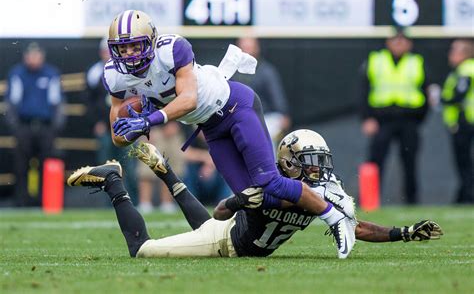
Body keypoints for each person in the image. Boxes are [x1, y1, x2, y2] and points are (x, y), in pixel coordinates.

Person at [102, 10, 355, 256]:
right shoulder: (115, 75)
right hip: (211, 128)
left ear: (152, 41)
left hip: (235, 107)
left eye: (135, 47)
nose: (129, 55)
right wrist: (131, 127)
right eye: (122, 49)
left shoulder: (171, 50)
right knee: (253, 199)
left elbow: (189, 99)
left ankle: (333, 216)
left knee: (268, 181)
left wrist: (148, 120)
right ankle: (319, 193)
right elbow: (118, 137)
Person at [67, 130, 443, 259]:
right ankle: (113, 183)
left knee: (209, 229)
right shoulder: (269, 182)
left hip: (236, 236)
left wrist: (403, 233)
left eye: (320, 161)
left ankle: (164, 170)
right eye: (309, 162)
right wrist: (240, 199)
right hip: (226, 240)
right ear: (290, 162)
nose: (317, 169)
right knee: (143, 251)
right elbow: (218, 214)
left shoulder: (324, 191)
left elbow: (354, 227)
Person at [359, 28, 430, 204]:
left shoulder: (417, 62)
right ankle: (370, 200)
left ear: (409, 43)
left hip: (408, 119)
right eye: (395, 40)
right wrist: (367, 118)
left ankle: (412, 201)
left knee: (409, 161)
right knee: (376, 160)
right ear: (388, 42)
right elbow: (363, 90)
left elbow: (427, 92)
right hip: (383, 118)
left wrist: (420, 118)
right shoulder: (376, 60)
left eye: (402, 40)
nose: (399, 44)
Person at [5, 42, 65, 207]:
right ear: (25, 57)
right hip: (24, 126)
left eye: (36, 55)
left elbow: (57, 103)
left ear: (42, 56)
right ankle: (21, 202)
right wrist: (16, 127)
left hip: (45, 127)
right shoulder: (17, 73)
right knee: (21, 166)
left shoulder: (51, 73)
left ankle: (45, 201)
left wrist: (55, 128)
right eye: (30, 55)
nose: (33, 58)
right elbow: (12, 103)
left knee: (46, 165)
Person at [85, 37, 138, 204]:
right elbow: (89, 102)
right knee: (107, 166)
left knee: (129, 165)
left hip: (125, 124)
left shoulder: (126, 70)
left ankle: (133, 201)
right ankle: (109, 202)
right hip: (105, 126)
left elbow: (136, 97)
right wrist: (96, 122)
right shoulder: (94, 73)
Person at [234, 36, 291, 148]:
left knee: (264, 133)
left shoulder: (266, 71)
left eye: (250, 47)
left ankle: (269, 164)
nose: (247, 51)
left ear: (257, 48)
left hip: (265, 117)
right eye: (244, 48)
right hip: (238, 117)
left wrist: (284, 114)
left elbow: (278, 99)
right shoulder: (232, 71)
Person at [441, 39, 474, 204]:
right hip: (465, 122)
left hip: (466, 123)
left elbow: (460, 94)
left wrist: (442, 99)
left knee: (464, 162)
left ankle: (468, 196)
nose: (450, 54)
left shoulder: (466, 69)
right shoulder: (462, 70)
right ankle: (464, 195)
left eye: (454, 51)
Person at [182, 126, 232, 206]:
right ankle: (190, 203)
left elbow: (226, 154)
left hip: (215, 171)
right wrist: (206, 158)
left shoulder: (218, 136)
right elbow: (184, 153)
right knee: (188, 169)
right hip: (197, 172)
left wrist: (210, 165)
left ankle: (223, 203)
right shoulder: (192, 136)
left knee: (226, 169)